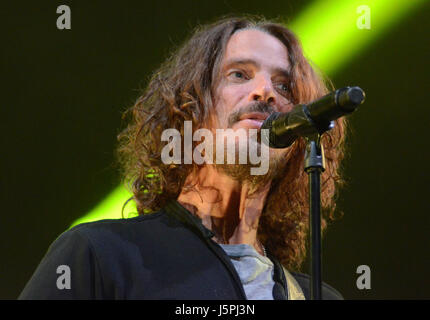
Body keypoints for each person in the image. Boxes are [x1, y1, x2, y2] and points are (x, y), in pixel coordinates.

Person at [19, 16, 346, 300]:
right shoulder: (100, 256)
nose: (265, 91)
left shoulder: (318, 295)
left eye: (285, 85)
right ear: (190, 108)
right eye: (239, 75)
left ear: (297, 142)